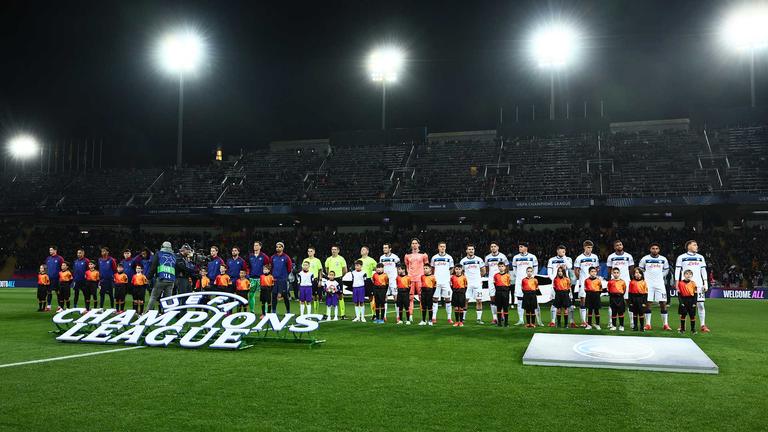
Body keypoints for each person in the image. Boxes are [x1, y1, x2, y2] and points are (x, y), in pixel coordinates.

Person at [674, 240, 710, 333]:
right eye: (694, 245)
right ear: (688, 246)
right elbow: (677, 270)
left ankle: (703, 325)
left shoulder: (700, 257)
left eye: (696, 245)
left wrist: (705, 282)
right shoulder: (681, 257)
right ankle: (682, 326)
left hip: (698, 284)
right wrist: (677, 283)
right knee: (684, 306)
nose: (696, 246)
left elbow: (703, 271)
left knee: (701, 304)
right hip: (686, 285)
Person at [638, 242, 671, 331]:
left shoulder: (663, 259)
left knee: (663, 303)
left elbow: (666, 269)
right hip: (648, 284)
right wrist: (645, 275)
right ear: (650, 249)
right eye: (653, 248)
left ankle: (665, 324)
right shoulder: (645, 259)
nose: (655, 250)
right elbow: (640, 268)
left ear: (659, 250)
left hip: (660, 284)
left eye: (656, 248)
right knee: (648, 303)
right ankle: (648, 324)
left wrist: (661, 275)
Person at [606, 240, 635, 327]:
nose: (619, 246)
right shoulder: (611, 257)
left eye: (620, 244)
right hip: (614, 282)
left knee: (628, 302)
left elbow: (632, 268)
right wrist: (609, 280)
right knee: (612, 303)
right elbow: (609, 269)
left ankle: (632, 322)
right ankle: (610, 323)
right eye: (617, 245)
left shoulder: (628, 256)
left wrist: (630, 278)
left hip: (625, 281)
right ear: (614, 247)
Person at [145, 242, 177, 313]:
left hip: (161, 279)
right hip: (171, 280)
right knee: (168, 299)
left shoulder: (159, 253)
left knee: (153, 297)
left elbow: (154, 266)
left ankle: (147, 314)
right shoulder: (174, 256)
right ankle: (168, 314)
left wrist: (148, 277)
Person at [512, 241, 538, 325]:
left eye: (521, 247)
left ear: (526, 248)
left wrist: (532, 278)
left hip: (530, 283)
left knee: (533, 302)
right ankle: (520, 319)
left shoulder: (532, 257)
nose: (520, 248)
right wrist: (519, 277)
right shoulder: (516, 257)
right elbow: (514, 269)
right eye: (519, 247)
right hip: (519, 282)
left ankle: (536, 320)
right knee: (519, 301)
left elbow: (535, 269)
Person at [574, 240, 599, 327]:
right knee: (583, 301)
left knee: (592, 301)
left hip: (592, 283)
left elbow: (597, 268)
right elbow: (576, 270)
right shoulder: (579, 258)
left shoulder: (595, 257)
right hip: (583, 282)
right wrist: (579, 279)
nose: (590, 249)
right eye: (588, 247)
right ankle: (583, 321)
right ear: (584, 247)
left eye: (591, 247)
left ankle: (589, 321)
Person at [546, 245, 573, 327]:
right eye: (561, 251)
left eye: (564, 251)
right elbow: (549, 272)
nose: (562, 252)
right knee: (555, 303)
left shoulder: (568, 259)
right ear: (557, 251)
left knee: (568, 304)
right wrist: (555, 280)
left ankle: (571, 322)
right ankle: (553, 321)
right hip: (556, 284)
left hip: (565, 285)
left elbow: (570, 267)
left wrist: (564, 257)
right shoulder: (552, 260)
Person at [460, 244, 485, 324]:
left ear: (474, 250)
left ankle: (478, 319)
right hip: (467, 284)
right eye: (469, 249)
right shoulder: (463, 261)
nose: (471, 251)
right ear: (466, 251)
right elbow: (461, 272)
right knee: (465, 300)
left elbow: (483, 270)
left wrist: (478, 277)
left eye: (472, 249)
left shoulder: (479, 259)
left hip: (477, 283)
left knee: (479, 300)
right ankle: (463, 318)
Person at [404, 238, 429, 320]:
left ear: (419, 244)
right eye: (413, 243)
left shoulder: (423, 254)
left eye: (416, 243)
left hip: (420, 279)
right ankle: (410, 315)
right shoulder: (407, 255)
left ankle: (423, 317)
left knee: (421, 298)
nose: (414, 245)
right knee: (410, 298)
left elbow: (427, 266)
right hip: (411, 278)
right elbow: (407, 266)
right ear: (411, 245)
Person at [485, 241, 509, 325]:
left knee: (502, 298)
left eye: (495, 246)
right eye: (491, 246)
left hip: (501, 279)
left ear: (498, 247)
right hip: (491, 279)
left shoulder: (503, 256)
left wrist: (504, 276)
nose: (493, 248)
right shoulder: (487, 257)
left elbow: (507, 267)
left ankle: (502, 315)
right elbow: (487, 268)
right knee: (492, 298)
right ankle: (495, 318)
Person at [430, 241, 454, 324]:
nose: (442, 248)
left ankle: (449, 318)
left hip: (446, 282)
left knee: (448, 299)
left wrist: (447, 276)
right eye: (441, 246)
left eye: (444, 246)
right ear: (438, 247)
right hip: (436, 282)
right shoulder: (434, 258)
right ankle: (433, 317)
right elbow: (432, 269)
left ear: (445, 247)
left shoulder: (449, 258)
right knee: (435, 299)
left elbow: (451, 269)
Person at [324, 245, 347, 319]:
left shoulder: (341, 259)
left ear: (338, 250)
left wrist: (340, 276)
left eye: (335, 249)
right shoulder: (328, 259)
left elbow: (345, 269)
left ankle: (342, 314)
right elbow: (326, 269)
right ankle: (330, 313)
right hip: (330, 279)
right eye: (332, 249)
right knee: (329, 295)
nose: (333, 251)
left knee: (340, 295)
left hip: (338, 278)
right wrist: (330, 276)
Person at [248, 241, 271, 314]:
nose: (255, 246)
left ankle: (265, 311)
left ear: (260, 247)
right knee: (251, 294)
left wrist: (266, 276)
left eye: (257, 245)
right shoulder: (250, 256)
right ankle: (252, 310)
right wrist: (248, 275)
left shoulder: (264, 256)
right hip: (252, 278)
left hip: (261, 279)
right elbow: (248, 266)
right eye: (254, 245)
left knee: (264, 296)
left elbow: (268, 267)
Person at [271, 242, 294, 314]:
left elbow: (289, 268)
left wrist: (284, 276)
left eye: (279, 247)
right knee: (274, 296)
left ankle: (288, 311)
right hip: (274, 279)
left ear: (282, 248)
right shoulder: (273, 257)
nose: (278, 248)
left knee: (285, 296)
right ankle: (274, 311)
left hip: (283, 279)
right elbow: (270, 267)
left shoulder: (286, 257)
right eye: (277, 247)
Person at [379, 243, 400, 322]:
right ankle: (384, 316)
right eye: (383, 248)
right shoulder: (381, 258)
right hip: (384, 280)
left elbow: (399, 268)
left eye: (386, 248)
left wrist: (398, 278)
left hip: (393, 280)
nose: (384, 249)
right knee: (384, 298)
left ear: (390, 249)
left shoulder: (395, 257)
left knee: (396, 298)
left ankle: (398, 316)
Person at [302, 247, 322, 315]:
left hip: (314, 280)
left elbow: (320, 270)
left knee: (315, 296)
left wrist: (320, 280)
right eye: (308, 251)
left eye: (311, 251)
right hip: (306, 281)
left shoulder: (317, 260)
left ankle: (316, 312)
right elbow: (303, 270)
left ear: (314, 252)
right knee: (306, 296)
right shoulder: (305, 260)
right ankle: (307, 313)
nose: (309, 253)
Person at [677, 269, 698, 335]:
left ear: (692, 275)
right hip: (684, 300)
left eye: (690, 274)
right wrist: (681, 302)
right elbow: (679, 294)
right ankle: (682, 329)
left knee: (692, 316)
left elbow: (695, 294)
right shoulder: (680, 283)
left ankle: (693, 329)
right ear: (684, 275)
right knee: (683, 315)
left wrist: (694, 303)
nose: (688, 275)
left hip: (691, 300)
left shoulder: (693, 283)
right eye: (687, 274)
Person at [358, 246, 378, 317]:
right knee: (360, 297)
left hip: (368, 280)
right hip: (359, 281)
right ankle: (359, 314)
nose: (362, 250)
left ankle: (374, 313)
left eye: (363, 249)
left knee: (371, 297)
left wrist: (375, 276)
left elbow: (377, 268)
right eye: (361, 249)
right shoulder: (358, 260)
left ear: (367, 251)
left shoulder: (371, 260)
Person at [45, 246, 64, 312]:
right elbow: (46, 268)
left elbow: (63, 268)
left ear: (55, 250)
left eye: (51, 250)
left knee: (58, 292)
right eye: (49, 250)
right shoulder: (48, 258)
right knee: (49, 292)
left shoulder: (59, 258)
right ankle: (48, 306)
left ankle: (59, 306)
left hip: (57, 278)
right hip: (49, 278)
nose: (50, 251)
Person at [607, 267, 627, 331]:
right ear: (612, 273)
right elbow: (609, 290)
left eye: (617, 273)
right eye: (614, 273)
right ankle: (614, 325)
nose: (616, 274)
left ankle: (621, 326)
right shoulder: (610, 282)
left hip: (620, 298)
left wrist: (620, 295)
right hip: (613, 298)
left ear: (619, 273)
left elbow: (624, 290)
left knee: (621, 312)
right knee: (614, 312)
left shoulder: (622, 282)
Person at [492, 261, 512, 327]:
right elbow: (495, 284)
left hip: (505, 293)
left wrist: (505, 290)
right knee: (499, 308)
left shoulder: (507, 275)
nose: (501, 268)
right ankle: (499, 323)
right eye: (499, 266)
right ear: (498, 267)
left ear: (505, 267)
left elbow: (509, 285)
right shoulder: (496, 275)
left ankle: (506, 323)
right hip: (498, 293)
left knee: (505, 308)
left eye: (502, 266)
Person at [628, 268, 648, 332]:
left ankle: (642, 327)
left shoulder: (644, 282)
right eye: (636, 273)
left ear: (641, 274)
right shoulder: (632, 282)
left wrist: (644, 302)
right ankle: (635, 327)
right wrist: (630, 302)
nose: (638, 274)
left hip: (641, 299)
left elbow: (645, 293)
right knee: (635, 313)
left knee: (641, 314)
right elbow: (630, 293)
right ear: (634, 274)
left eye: (639, 273)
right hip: (634, 299)